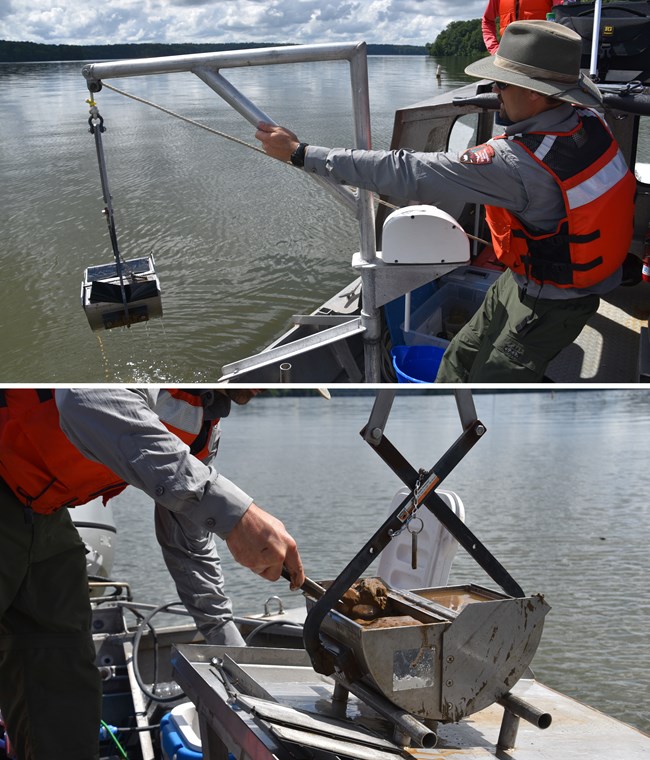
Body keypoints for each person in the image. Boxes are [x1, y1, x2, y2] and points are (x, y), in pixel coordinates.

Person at [254, 21, 636, 383]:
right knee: (459, 355)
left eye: (503, 84)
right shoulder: (587, 121)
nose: (495, 91)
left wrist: (301, 153)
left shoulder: (516, 163)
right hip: (529, 279)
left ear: (535, 93)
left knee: (493, 387)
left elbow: (406, 170)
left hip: (549, 303)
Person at [0, 387, 305, 760]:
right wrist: (235, 514)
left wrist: (235, 659)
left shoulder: (204, 426)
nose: (261, 382)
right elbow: (82, 400)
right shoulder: (158, 373)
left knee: (67, 708)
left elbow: (187, 545)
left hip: (44, 513)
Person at [482, 0, 561, 55]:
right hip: (508, 58)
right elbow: (487, 21)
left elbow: (564, 17)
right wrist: (494, 49)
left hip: (542, 56)